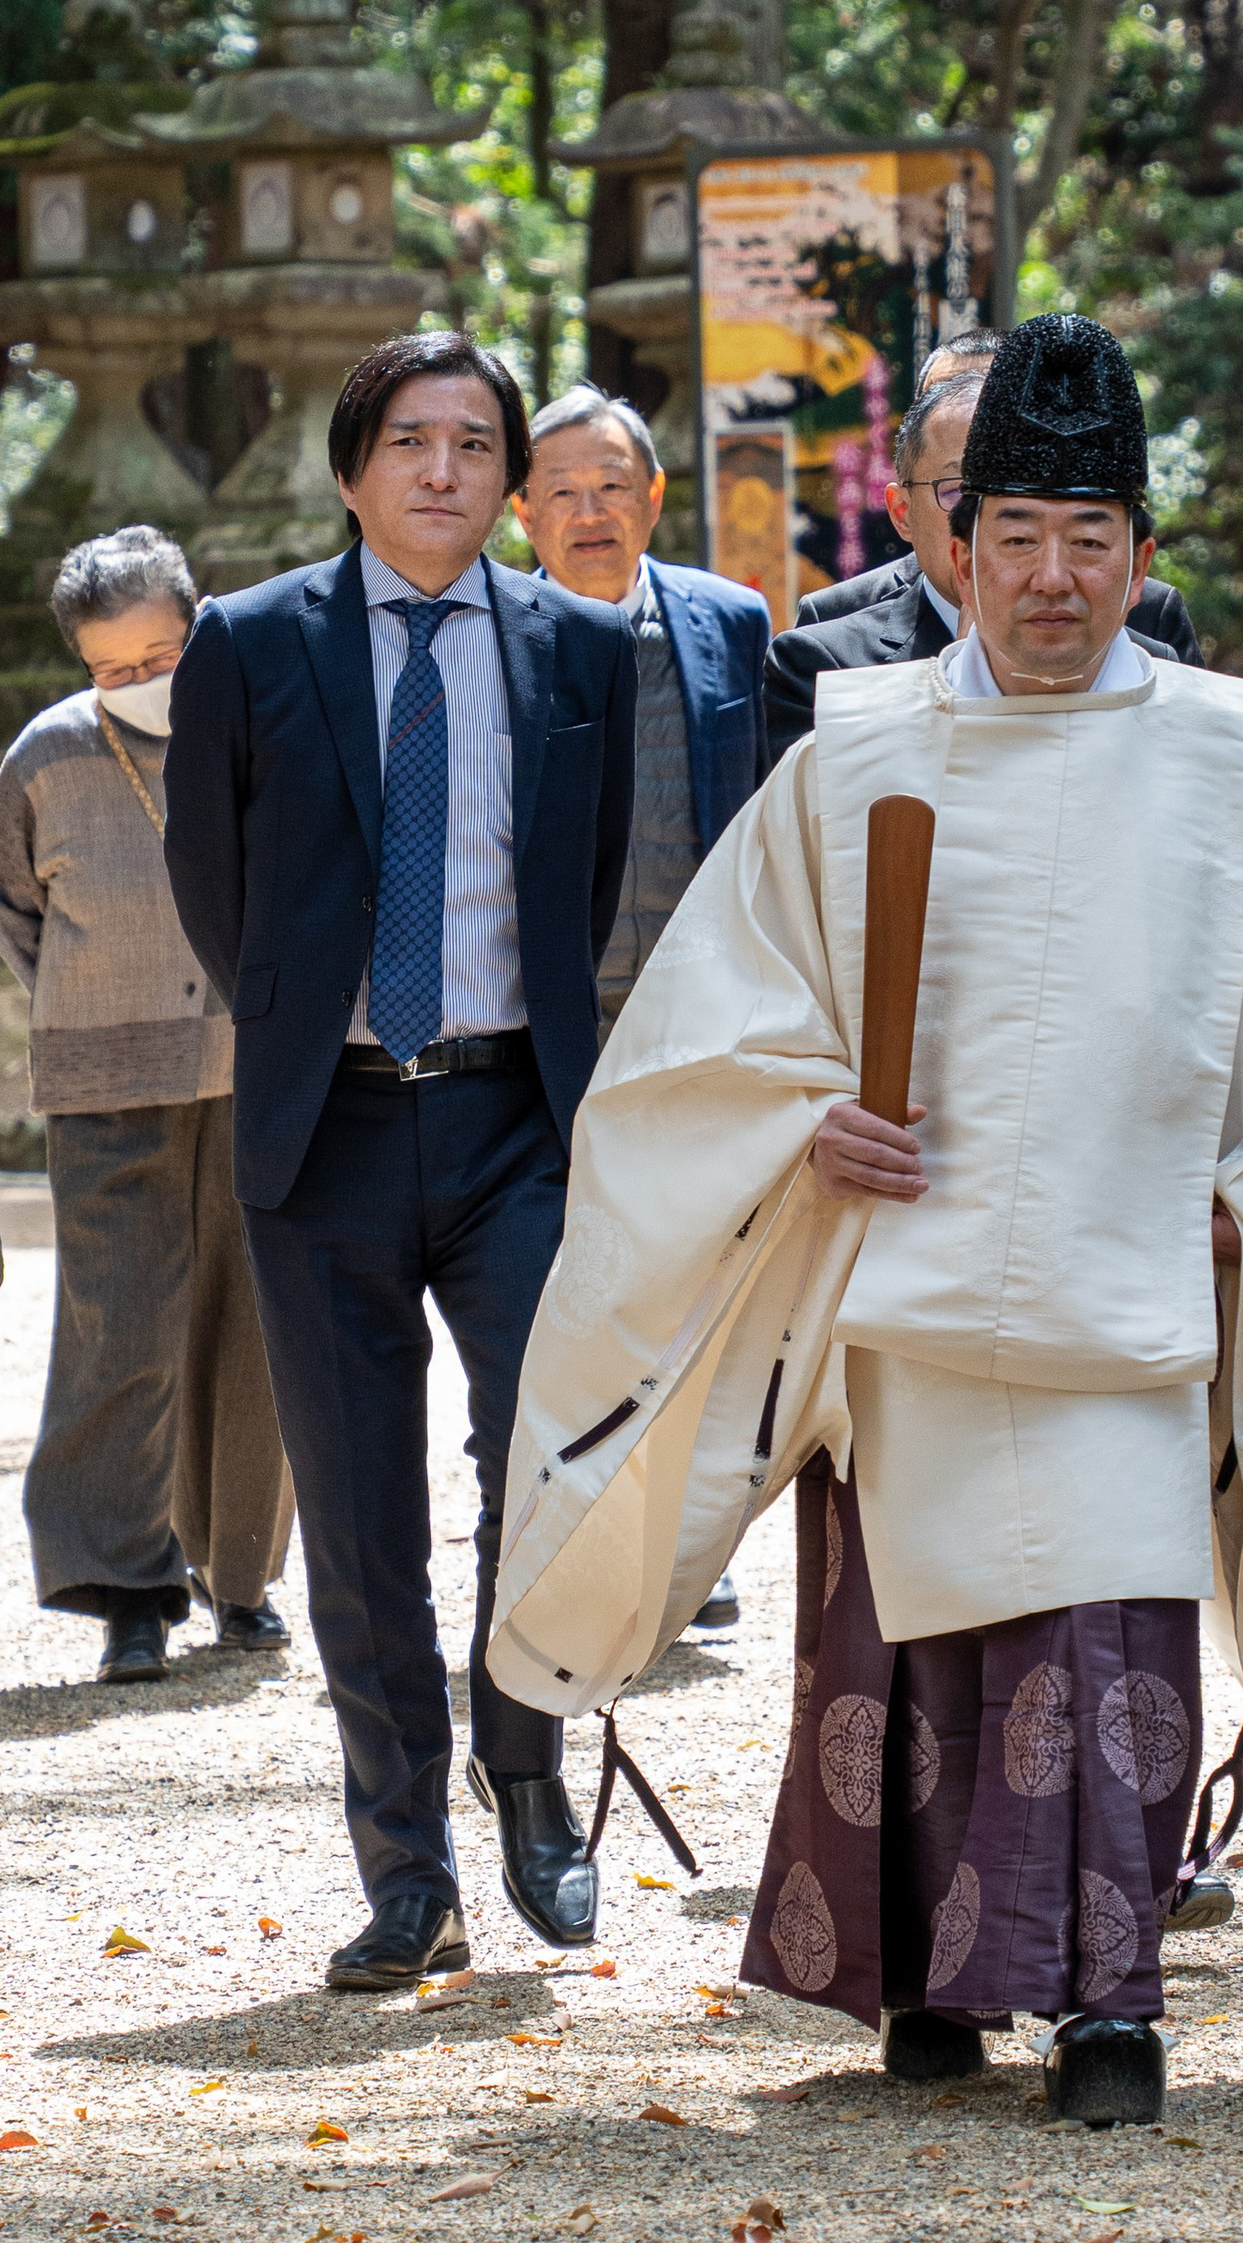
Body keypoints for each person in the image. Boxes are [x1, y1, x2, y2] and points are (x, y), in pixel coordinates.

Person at [490, 311, 1243, 2126]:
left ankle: (1112, 2002)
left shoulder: (1234, 767)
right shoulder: (859, 748)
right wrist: (803, 1126)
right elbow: (707, 1027)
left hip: (1133, 1288)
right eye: (1019, 541)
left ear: (1143, 558)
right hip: (899, 1287)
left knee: (1108, 1638)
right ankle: (923, 1988)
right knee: (912, 1642)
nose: (1053, 579)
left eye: (1092, 541)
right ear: (952, 548)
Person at [164, 333, 636, 1993]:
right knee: (361, 1520)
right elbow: (214, 889)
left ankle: (527, 1778)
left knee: (551, 1468)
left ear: (511, 474)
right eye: (413, 440)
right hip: (329, 1125)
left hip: (518, 1123)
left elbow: (580, 895)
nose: (445, 470)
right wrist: (311, 1029)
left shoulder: (580, 646)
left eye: (476, 443)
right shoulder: (248, 640)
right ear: (356, 463)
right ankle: (405, 1869)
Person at [0, 526, 294, 1688]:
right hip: (104, 1083)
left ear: (199, 624)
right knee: (121, 1328)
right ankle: (128, 1588)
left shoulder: (258, 723)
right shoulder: (47, 754)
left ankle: (243, 1578)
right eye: (116, 667)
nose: (145, 682)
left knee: (253, 1326)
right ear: (81, 665)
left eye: (163, 653)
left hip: (257, 1071)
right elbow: (14, 905)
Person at [512, 379, 775, 1636]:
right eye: (560, 487)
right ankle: (556, 1528)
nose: (590, 509)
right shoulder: (498, 633)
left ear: (655, 496)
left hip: (699, 1007)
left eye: (613, 484)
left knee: (695, 1278)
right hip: (540, 1018)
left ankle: (687, 1540)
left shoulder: (730, 620)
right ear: (521, 511)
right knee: (563, 1280)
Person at [764, 327, 1203, 753]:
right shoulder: (828, 657)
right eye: (961, 491)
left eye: (1086, 540)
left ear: (1138, 569)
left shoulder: (1155, 637)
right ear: (905, 513)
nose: (1051, 579)